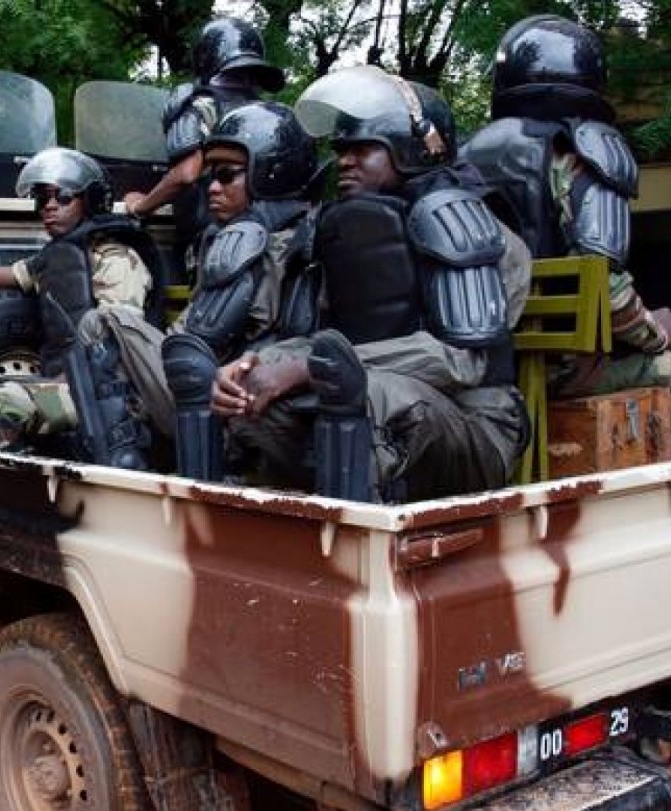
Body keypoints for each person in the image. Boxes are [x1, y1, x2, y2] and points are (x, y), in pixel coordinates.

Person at [185, 66, 530, 502]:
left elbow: (463, 362)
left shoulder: (473, 233)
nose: (344, 160)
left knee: (376, 396)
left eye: (363, 148)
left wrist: (312, 368)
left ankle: (358, 541)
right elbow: (313, 338)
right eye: (342, 149)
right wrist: (255, 365)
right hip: (358, 401)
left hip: (475, 424)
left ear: (409, 147)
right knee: (253, 405)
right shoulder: (344, 233)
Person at [461, 14, 671, 453]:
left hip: (484, 366)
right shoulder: (584, 153)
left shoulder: (461, 160)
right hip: (563, 371)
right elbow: (604, 283)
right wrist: (656, 331)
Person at [0, 147, 169, 469]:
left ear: (90, 200)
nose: (49, 207)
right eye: (42, 199)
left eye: (62, 197)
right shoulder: (51, 261)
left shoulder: (116, 259)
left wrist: (67, 380)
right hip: (65, 387)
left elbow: (125, 349)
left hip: (104, 398)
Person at [160, 101, 318, 481]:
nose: (212, 188)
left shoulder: (294, 243)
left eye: (227, 175)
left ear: (271, 174)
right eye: (210, 177)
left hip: (247, 393)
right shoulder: (223, 241)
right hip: (215, 388)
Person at [121, 17, 285, 272]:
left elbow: (187, 173)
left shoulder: (199, 105)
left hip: (216, 245)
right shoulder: (271, 117)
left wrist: (140, 206)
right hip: (269, 239)